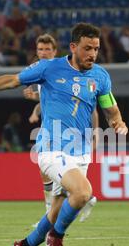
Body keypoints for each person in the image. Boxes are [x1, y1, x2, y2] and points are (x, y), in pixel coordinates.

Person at [0, 23, 128, 246]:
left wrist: (118, 122)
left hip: (80, 152)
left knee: (56, 209)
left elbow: (110, 108)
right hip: (50, 148)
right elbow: (12, 80)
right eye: (87, 48)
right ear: (73, 47)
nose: (92, 54)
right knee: (83, 193)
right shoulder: (49, 67)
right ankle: (56, 238)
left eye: (96, 49)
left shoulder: (100, 76)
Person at [24, 34, 98, 223]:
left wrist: (95, 132)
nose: (44, 53)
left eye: (48, 49)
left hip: (68, 134)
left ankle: (82, 197)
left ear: (55, 51)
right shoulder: (42, 72)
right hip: (51, 131)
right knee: (47, 175)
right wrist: (34, 105)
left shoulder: (64, 71)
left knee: (57, 176)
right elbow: (47, 100)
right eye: (40, 49)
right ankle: (51, 213)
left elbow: (90, 107)